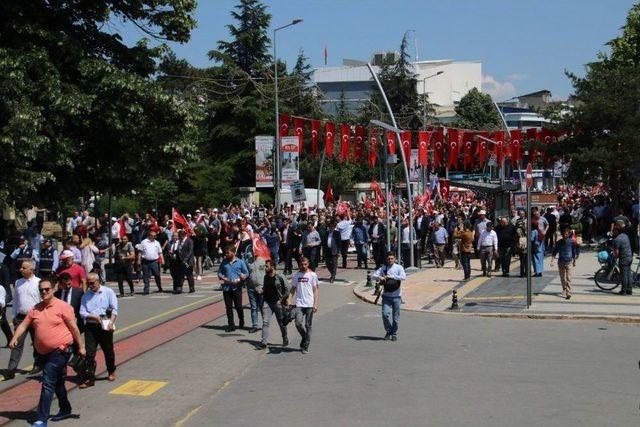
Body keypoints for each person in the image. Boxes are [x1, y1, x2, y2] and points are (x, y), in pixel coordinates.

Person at [9, 278, 85, 425]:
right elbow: (24, 325)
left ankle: (41, 419)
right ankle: (65, 409)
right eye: (41, 290)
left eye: (47, 289)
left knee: (48, 382)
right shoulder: (35, 308)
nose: (44, 292)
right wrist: (14, 338)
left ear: (53, 289)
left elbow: (74, 328)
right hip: (42, 353)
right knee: (57, 382)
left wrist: (81, 347)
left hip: (60, 350)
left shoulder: (63, 307)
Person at [78, 273, 118, 389]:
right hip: (91, 326)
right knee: (90, 353)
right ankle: (90, 378)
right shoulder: (86, 296)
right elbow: (82, 312)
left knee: (108, 350)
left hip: (105, 325)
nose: (90, 285)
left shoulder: (108, 292)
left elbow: (114, 308)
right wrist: (93, 316)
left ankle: (111, 370)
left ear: (98, 281)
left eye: (92, 283)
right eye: (88, 283)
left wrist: (111, 322)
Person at [5, 260, 41, 380]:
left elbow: (42, 301)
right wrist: (14, 315)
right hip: (21, 318)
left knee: (37, 343)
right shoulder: (18, 282)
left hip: (35, 317)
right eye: (21, 267)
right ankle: (11, 369)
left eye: (23, 268)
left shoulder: (38, 282)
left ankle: (38, 364)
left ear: (31, 270)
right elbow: (16, 300)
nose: (20, 269)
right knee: (16, 343)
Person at [372, 252, 406, 341]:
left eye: (391, 258)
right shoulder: (383, 268)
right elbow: (373, 276)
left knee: (395, 318)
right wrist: (380, 277)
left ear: (395, 259)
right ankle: (389, 331)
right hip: (386, 296)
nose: (390, 260)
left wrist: (391, 276)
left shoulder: (399, 267)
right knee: (385, 315)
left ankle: (394, 333)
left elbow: (403, 277)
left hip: (397, 297)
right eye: (388, 259)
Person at [287, 257, 318, 354]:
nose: (303, 266)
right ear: (299, 264)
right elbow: (293, 289)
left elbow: (315, 290)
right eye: (302, 264)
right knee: (298, 323)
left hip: (309, 304)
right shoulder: (296, 275)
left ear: (308, 264)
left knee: (308, 325)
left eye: (305, 264)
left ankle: (305, 346)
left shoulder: (312, 275)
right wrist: (289, 300)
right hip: (299, 304)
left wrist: (315, 304)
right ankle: (305, 337)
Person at [257, 259, 289, 349]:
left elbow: (288, 289)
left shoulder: (280, 276)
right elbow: (265, 287)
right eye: (265, 266)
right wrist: (261, 290)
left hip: (278, 304)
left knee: (281, 323)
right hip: (267, 303)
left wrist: (282, 299)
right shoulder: (266, 277)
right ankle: (264, 342)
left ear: (272, 266)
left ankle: (285, 338)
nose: (265, 268)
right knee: (265, 322)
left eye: (267, 266)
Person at [217, 247, 249, 332]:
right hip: (226, 288)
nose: (226, 254)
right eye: (226, 253)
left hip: (237, 288)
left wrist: (242, 277)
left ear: (234, 252)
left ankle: (241, 319)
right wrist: (223, 277)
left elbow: (246, 273)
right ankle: (231, 325)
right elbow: (219, 272)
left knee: (238, 306)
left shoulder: (240, 262)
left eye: (228, 253)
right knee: (228, 307)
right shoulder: (224, 262)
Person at [550, 228, 579, 300]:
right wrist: (552, 261)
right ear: (562, 234)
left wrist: (574, 261)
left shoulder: (571, 242)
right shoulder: (559, 242)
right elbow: (554, 252)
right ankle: (564, 289)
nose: (565, 235)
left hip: (569, 262)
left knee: (568, 277)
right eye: (563, 234)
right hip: (561, 262)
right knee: (562, 278)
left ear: (569, 234)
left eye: (566, 234)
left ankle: (568, 292)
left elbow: (573, 252)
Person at [136, 231, 163, 295]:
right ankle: (146, 289)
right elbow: (140, 251)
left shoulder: (157, 243)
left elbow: (160, 252)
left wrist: (162, 259)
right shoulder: (144, 242)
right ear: (149, 235)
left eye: (155, 236)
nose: (154, 236)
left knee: (157, 275)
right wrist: (139, 260)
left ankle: (159, 287)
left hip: (154, 261)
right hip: (145, 261)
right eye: (153, 235)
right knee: (145, 276)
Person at [611, 220, 633, 295]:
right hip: (630, 256)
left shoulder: (617, 240)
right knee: (628, 274)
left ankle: (623, 290)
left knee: (623, 275)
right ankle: (629, 290)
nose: (613, 232)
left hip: (623, 258)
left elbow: (616, 253)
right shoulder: (625, 236)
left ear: (617, 231)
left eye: (614, 231)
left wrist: (614, 256)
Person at [175, 229, 196, 294]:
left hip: (188, 261)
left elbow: (190, 251)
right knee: (180, 275)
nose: (179, 237)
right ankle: (179, 288)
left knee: (189, 275)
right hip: (180, 261)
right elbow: (178, 250)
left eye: (180, 235)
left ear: (183, 235)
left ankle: (191, 288)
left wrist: (186, 259)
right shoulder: (179, 242)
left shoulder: (189, 241)